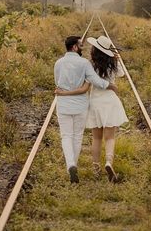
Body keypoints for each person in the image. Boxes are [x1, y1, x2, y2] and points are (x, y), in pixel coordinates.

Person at [55, 35, 128, 183]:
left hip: (95, 102)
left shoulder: (91, 64)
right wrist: (116, 59)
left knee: (96, 138)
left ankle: (95, 168)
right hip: (110, 101)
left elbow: (87, 83)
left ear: (95, 50)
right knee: (110, 137)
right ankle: (108, 162)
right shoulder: (113, 64)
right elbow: (122, 74)